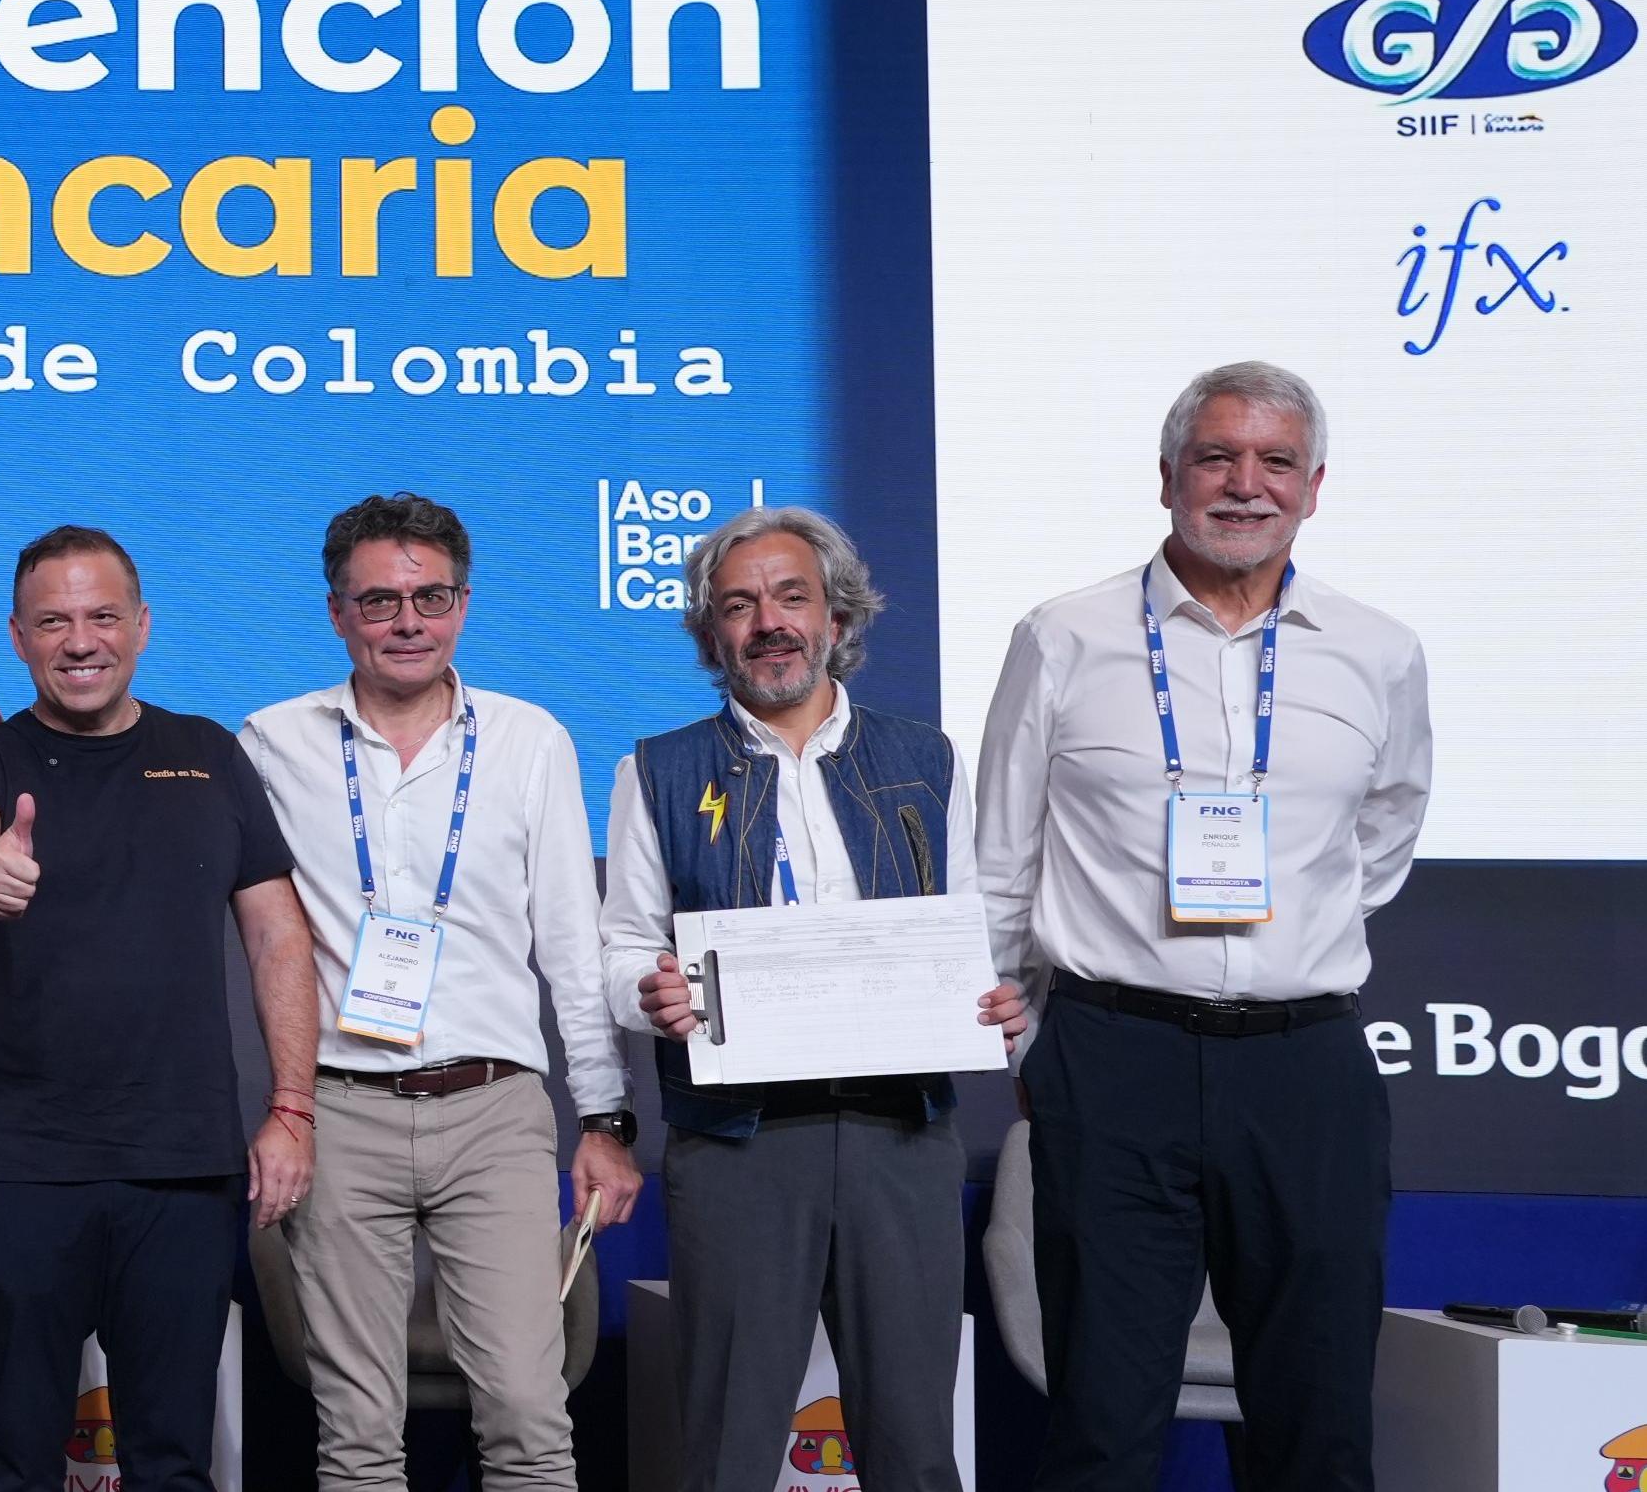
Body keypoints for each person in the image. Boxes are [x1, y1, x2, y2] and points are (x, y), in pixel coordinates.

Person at [974, 364, 1430, 1492]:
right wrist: (1032, 1045)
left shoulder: (1378, 651)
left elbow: (1380, 840)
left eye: (1274, 461)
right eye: (1216, 457)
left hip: (1303, 1064)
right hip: (1112, 1057)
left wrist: (1283, 946)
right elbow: (997, 862)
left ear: (1312, 487)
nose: (1244, 484)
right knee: (1102, 1420)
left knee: (1317, 1419)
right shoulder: (1062, 636)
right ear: (1168, 476)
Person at [602, 506, 1031, 1492]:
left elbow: (969, 930)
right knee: (726, 1447)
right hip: (739, 1141)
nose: (768, 622)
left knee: (915, 1443)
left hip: (899, 1134)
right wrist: (648, 990)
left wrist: (1000, 999)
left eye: (790, 597)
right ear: (710, 632)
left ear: (834, 614)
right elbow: (622, 946)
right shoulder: (657, 769)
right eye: (738, 605)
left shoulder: (924, 758)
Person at [234, 495, 636, 1492]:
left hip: (493, 1109)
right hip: (337, 1108)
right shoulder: (270, 741)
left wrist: (605, 1114)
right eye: (378, 600)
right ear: (337, 613)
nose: (406, 620)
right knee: (356, 1428)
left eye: (429, 596)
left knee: (526, 1410)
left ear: (462, 603)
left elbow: (569, 948)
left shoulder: (528, 738)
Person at [0, 525, 318, 1492]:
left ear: (141, 626)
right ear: (16, 636)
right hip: (23, 1169)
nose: (79, 640)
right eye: (52, 621)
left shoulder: (208, 753)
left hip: (182, 1166)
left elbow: (277, 936)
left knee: (173, 1457)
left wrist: (292, 1109)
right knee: (14, 1452)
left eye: (101, 616)